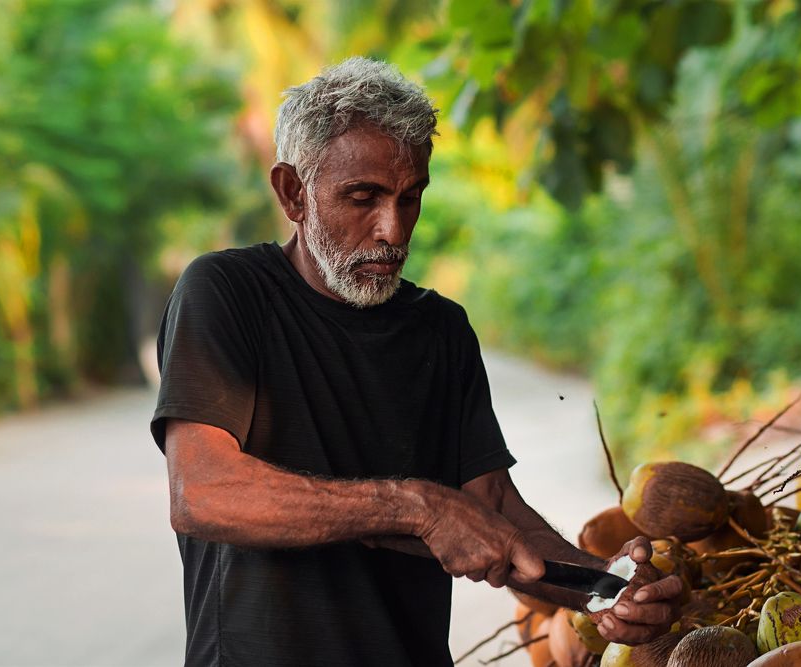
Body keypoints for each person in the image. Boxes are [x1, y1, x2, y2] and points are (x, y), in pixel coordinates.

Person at [151, 57, 682, 667]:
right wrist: (418, 507)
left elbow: (492, 512)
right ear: (293, 193)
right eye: (363, 197)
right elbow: (203, 492)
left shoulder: (441, 330)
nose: (392, 230)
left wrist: (606, 587)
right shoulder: (226, 293)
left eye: (411, 198)